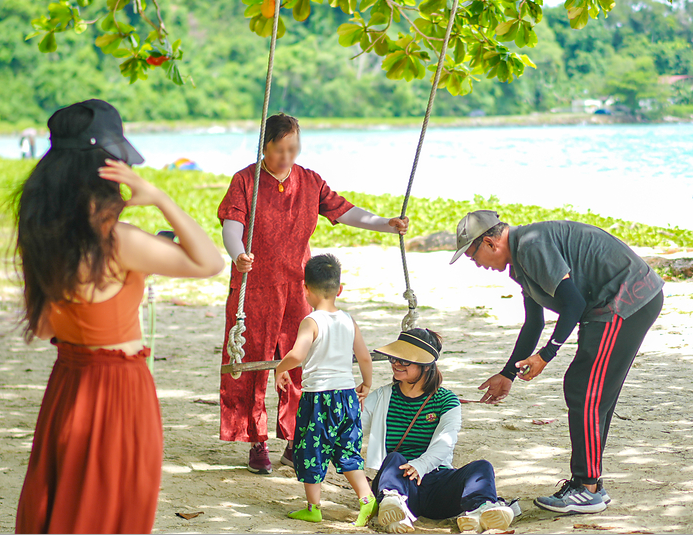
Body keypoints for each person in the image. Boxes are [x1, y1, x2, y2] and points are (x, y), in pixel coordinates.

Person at [14, 99, 225, 533]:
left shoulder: (41, 236)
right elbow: (209, 262)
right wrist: (160, 198)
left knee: (65, 506)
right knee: (112, 512)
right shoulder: (118, 242)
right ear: (108, 169)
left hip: (68, 385)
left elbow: (42, 327)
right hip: (118, 391)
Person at [217, 112, 409, 474]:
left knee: (301, 360)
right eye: (278, 150)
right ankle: (256, 441)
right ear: (265, 146)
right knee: (253, 362)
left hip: (298, 287)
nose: (286, 157)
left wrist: (386, 224)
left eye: (293, 149)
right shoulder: (246, 180)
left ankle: (294, 439)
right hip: (254, 284)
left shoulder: (309, 180)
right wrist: (237, 253)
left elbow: (345, 210)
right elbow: (233, 225)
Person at [450, 210, 665, 514]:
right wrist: (507, 374)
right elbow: (533, 323)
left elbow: (573, 303)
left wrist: (545, 355)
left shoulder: (530, 245)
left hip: (624, 298)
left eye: (473, 257)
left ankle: (587, 487)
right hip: (618, 301)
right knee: (591, 391)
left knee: (584, 389)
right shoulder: (521, 260)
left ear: (489, 243)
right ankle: (589, 484)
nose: (478, 265)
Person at [362, 329, 517, 534]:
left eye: (405, 361)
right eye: (393, 358)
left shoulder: (447, 401)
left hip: (437, 482)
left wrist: (421, 464)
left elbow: (446, 441)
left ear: (426, 366)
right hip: (400, 482)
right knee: (395, 458)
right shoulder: (382, 396)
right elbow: (351, 431)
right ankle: (394, 507)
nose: (396, 364)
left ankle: (480, 510)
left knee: (481, 467)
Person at [273, 254, 376, 525]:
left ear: (305, 289)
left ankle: (313, 507)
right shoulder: (348, 320)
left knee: (310, 450)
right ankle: (366, 498)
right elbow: (364, 357)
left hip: (318, 398)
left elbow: (296, 355)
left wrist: (279, 369)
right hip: (346, 397)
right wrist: (367, 382)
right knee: (347, 449)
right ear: (339, 289)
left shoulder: (311, 321)